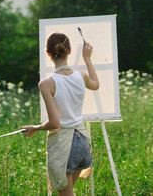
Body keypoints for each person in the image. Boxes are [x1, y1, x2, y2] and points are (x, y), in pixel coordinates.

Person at [22, 32, 99, 196]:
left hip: (65, 147)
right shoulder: (81, 76)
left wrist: (35, 127)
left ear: (48, 53)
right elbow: (96, 84)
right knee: (67, 192)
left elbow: (55, 123)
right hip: (83, 142)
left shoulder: (46, 84)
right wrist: (87, 58)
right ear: (69, 51)